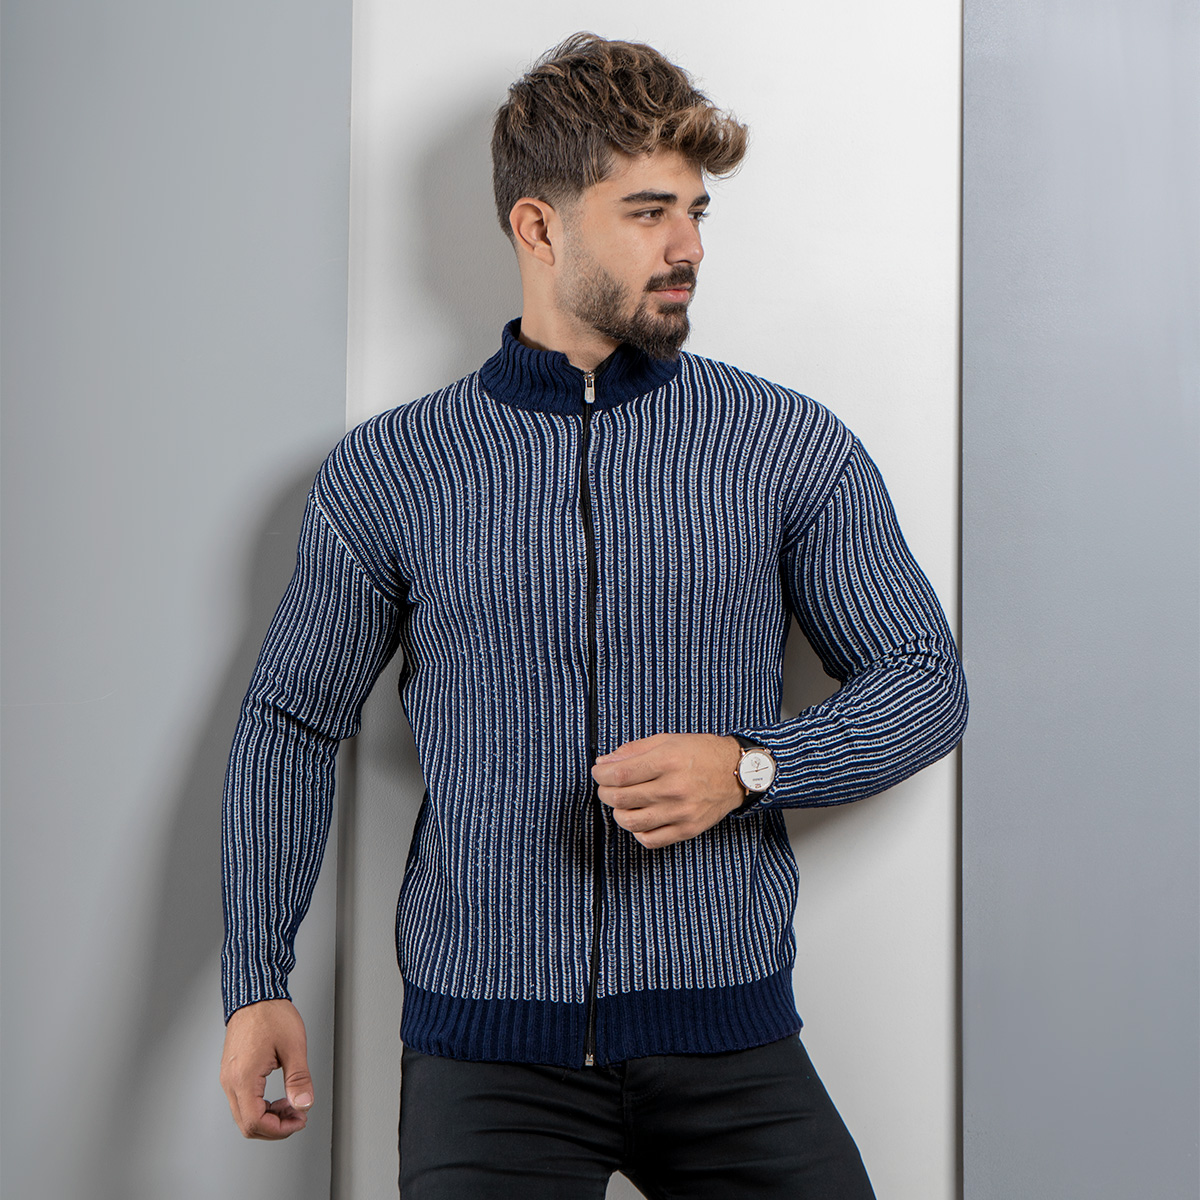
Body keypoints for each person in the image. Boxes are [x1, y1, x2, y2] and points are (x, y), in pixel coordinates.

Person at [218, 32, 968, 1199]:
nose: (688, 247)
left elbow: (924, 679)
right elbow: (293, 720)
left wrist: (754, 766)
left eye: (697, 213)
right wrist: (256, 980)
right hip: (486, 1052)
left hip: (728, 1036)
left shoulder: (784, 445)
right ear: (538, 226)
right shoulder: (394, 468)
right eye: (649, 212)